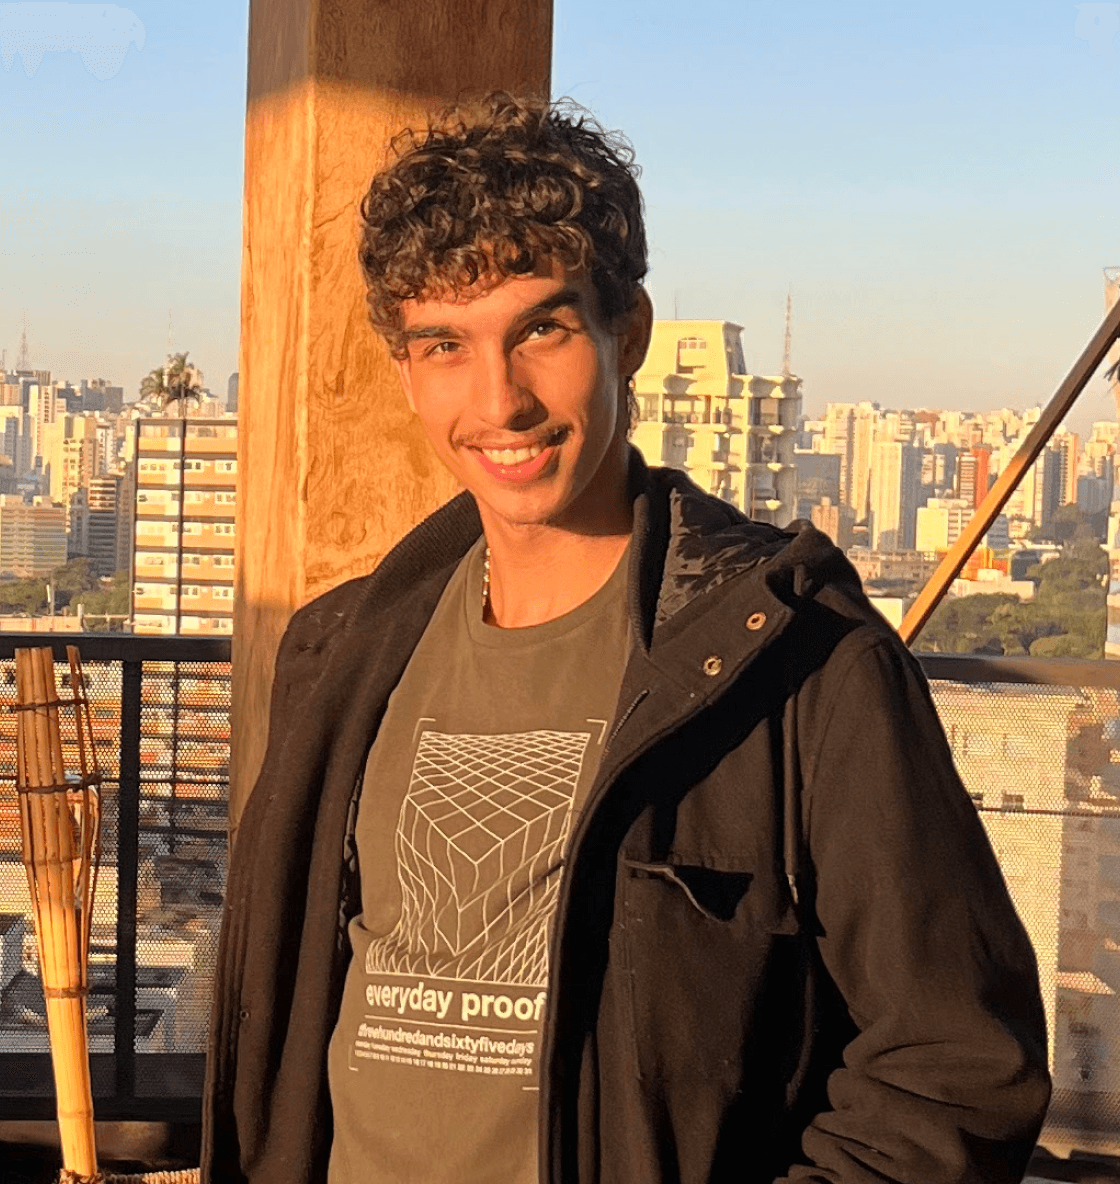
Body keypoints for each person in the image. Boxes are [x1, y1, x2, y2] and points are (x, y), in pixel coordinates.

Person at [201, 93, 1050, 1184]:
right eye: (445, 344)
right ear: (404, 367)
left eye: (541, 329)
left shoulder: (797, 665)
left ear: (627, 332)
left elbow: (954, 1065)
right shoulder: (343, 657)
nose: (498, 399)